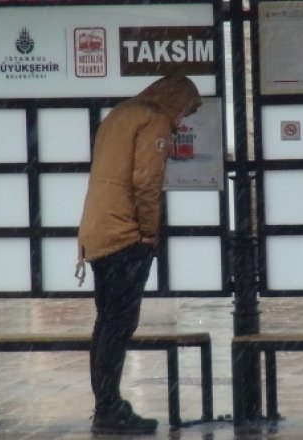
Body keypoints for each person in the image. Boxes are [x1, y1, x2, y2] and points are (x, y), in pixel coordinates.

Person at [75, 74, 201, 435]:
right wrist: (149, 233)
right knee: (118, 325)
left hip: (97, 231)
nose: (182, 121)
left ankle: (106, 405)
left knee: (106, 324)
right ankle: (109, 410)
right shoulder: (154, 119)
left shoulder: (119, 114)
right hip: (124, 235)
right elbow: (146, 181)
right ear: (176, 98)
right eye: (186, 111)